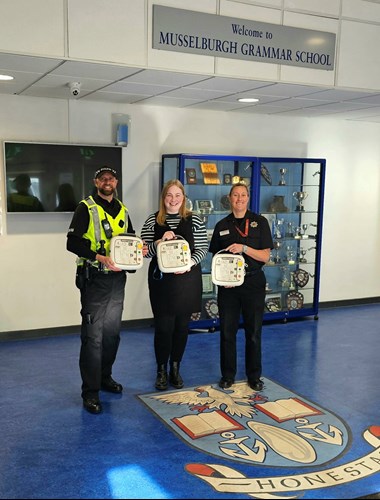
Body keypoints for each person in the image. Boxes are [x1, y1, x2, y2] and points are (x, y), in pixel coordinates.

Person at [66, 166, 135, 414]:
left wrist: (137, 256)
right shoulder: (86, 208)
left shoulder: (123, 210)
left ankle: (105, 378)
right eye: (103, 178)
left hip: (118, 281)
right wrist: (99, 257)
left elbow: (132, 241)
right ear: (96, 182)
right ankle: (90, 392)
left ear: (116, 182)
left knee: (112, 335)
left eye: (111, 178)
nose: (107, 181)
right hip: (94, 279)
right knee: (93, 338)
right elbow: (71, 243)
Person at [141, 179, 208, 391]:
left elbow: (202, 248)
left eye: (177, 195)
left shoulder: (194, 219)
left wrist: (189, 262)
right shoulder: (153, 220)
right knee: (163, 328)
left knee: (181, 328)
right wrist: (159, 242)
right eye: (169, 195)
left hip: (187, 281)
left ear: (183, 198)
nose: (173, 200)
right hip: (162, 283)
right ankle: (161, 370)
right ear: (163, 198)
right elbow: (143, 252)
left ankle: (175, 369)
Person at [209, 182, 273, 392]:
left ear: (248, 197)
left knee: (253, 332)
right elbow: (216, 258)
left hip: (253, 283)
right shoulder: (221, 225)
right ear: (230, 198)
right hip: (228, 286)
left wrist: (244, 248)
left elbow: (265, 256)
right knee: (227, 332)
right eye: (235, 195)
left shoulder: (260, 222)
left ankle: (254, 376)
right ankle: (227, 375)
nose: (239, 199)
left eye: (243, 195)